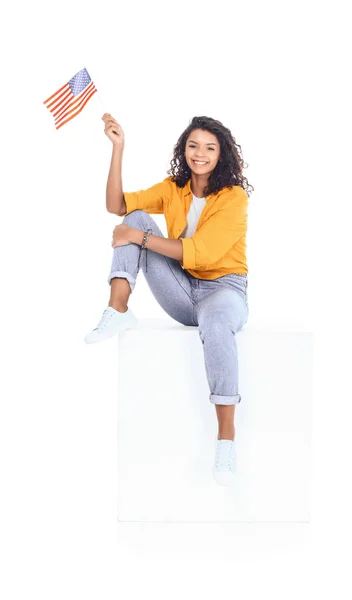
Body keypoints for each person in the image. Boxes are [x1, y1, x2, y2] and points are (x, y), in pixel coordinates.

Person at [85, 113, 254, 486]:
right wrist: (118, 148)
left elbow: (205, 253)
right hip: (183, 291)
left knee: (215, 319)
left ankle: (226, 439)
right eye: (193, 145)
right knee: (139, 217)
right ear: (184, 150)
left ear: (221, 154)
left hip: (224, 291)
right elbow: (118, 206)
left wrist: (137, 238)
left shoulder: (233, 197)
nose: (200, 153)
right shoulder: (174, 189)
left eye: (210, 147)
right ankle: (117, 310)